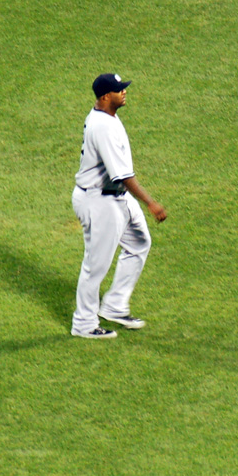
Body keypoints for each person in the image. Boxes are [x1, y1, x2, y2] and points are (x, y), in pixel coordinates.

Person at [70, 73, 168, 339]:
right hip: (99, 200)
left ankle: (114, 305)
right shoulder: (103, 127)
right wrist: (150, 202)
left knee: (138, 242)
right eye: (118, 90)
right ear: (105, 97)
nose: (123, 92)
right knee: (95, 265)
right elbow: (123, 175)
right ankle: (84, 324)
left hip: (114, 196)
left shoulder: (108, 117)